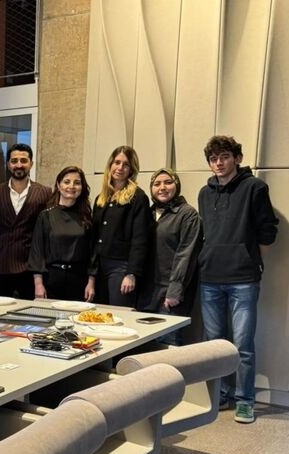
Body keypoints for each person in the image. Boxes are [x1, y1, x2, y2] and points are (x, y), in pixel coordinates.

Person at [198, 136, 278, 424]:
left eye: (224, 157)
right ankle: (220, 395)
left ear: (237, 158)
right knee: (214, 345)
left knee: (243, 345)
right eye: (213, 158)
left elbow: (268, 231)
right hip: (210, 277)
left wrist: (252, 259)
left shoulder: (255, 187)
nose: (219, 163)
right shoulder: (204, 193)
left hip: (243, 278)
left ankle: (245, 401)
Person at [0, 143, 52, 299]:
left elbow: (48, 232)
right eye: (14, 161)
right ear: (8, 164)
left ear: (31, 164)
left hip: (30, 266)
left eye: (23, 161)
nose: (19, 165)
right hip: (0, 266)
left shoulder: (45, 193)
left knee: (29, 311)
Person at [138, 168, 201, 346]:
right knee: (144, 348)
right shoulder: (147, 214)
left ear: (177, 185)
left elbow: (186, 254)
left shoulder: (187, 214)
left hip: (171, 294)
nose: (162, 187)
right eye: (157, 184)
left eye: (168, 182)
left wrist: (175, 291)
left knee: (167, 347)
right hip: (146, 294)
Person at [91, 145, 152, 307]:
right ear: (110, 165)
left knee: (119, 315)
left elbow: (140, 239)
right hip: (99, 267)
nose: (120, 168)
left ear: (131, 170)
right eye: (117, 162)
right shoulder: (101, 198)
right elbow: (94, 237)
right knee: (98, 315)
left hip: (121, 268)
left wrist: (131, 273)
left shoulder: (138, 197)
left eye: (126, 164)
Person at [29, 166, 95, 302]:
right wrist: (38, 284)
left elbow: (92, 254)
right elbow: (37, 252)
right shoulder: (45, 216)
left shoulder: (87, 218)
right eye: (67, 182)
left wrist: (91, 282)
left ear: (82, 187)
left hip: (79, 280)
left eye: (77, 183)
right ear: (58, 186)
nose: (71, 186)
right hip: (51, 279)